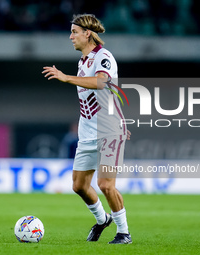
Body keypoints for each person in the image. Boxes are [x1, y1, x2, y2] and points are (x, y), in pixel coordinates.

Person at [42, 14, 132, 244]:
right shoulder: (83, 62)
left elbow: (101, 81)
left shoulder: (104, 56)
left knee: (105, 185)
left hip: (109, 130)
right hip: (88, 132)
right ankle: (103, 220)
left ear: (87, 34)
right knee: (79, 185)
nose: (70, 36)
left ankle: (124, 233)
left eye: (74, 32)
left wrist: (66, 78)